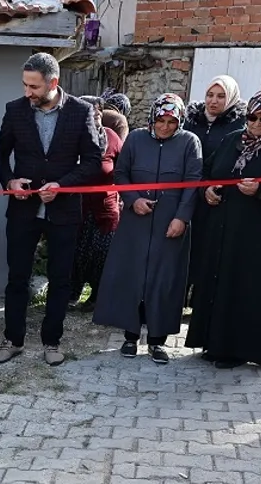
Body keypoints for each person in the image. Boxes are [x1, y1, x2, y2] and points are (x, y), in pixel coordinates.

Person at [0, 52, 103, 367]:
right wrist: (10, 181)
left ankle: (52, 341)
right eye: (25, 85)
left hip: (64, 211)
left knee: (60, 279)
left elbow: (93, 161)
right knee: (17, 277)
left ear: (53, 83)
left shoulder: (81, 112)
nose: (27, 92)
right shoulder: (14, 110)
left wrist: (63, 185)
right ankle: (13, 339)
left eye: (34, 87)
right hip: (23, 211)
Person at [93, 93, 203, 365]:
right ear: (152, 118)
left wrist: (182, 218)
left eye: (172, 121)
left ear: (180, 121)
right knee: (132, 276)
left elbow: (193, 182)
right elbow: (121, 174)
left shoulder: (190, 142)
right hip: (136, 221)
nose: (165, 126)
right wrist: (133, 200)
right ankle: (130, 336)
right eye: (161, 120)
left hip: (170, 222)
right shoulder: (136, 139)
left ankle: (157, 340)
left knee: (164, 279)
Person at [185, 87, 261, 369]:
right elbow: (207, 172)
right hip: (221, 226)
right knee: (218, 281)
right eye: (252, 117)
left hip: (259, 233)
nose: (256, 124)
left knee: (245, 287)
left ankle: (238, 350)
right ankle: (212, 343)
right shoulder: (231, 140)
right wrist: (208, 190)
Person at [183, 75, 247, 308]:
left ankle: (201, 303)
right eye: (210, 95)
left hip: (219, 196)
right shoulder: (192, 120)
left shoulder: (239, 125)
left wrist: (211, 186)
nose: (214, 101)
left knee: (210, 250)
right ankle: (177, 299)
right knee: (186, 247)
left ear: (230, 98)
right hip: (189, 191)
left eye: (221, 96)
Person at [69, 96, 124, 312]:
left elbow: (124, 168)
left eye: (99, 110)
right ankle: (72, 293)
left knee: (102, 254)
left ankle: (98, 296)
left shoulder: (111, 137)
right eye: (92, 111)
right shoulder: (71, 138)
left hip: (106, 208)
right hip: (77, 207)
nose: (97, 114)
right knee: (76, 252)